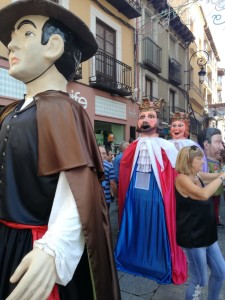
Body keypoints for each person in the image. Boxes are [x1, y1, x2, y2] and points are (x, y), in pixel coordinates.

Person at [0, 1, 120, 299]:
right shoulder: (11, 112)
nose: (10, 44)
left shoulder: (62, 109)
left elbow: (78, 193)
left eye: (25, 34)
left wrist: (52, 250)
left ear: (53, 46)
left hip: (35, 246)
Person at [115, 97, 187, 284]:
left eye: (150, 116)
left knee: (156, 224)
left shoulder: (167, 146)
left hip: (157, 197)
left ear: (158, 121)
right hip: (135, 196)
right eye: (142, 116)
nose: (145, 120)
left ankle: (156, 262)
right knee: (136, 223)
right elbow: (124, 170)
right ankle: (132, 257)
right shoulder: (132, 147)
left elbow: (174, 174)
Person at [175, 145, 225, 300]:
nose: (202, 162)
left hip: (208, 234)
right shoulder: (182, 179)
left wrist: (222, 173)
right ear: (188, 161)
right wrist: (222, 177)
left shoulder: (198, 176)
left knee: (220, 272)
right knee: (199, 281)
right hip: (193, 237)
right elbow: (204, 194)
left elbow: (216, 176)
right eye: (199, 159)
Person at [198, 128, 225, 228]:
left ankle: (216, 220)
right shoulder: (203, 163)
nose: (222, 147)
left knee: (216, 206)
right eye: (218, 142)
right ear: (206, 144)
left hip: (217, 189)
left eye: (221, 142)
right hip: (209, 191)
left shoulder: (218, 162)